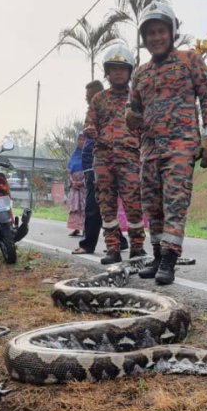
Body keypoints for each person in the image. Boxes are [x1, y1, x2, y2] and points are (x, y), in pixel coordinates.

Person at [128, 1, 207, 284]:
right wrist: (131, 116)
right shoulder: (140, 72)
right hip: (150, 150)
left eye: (161, 31)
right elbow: (133, 108)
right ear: (144, 39)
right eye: (150, 33)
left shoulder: (190, 60)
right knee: (152, 206)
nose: (156, 37)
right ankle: (157, 255)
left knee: (175, 202)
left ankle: (170, 258)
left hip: (181, 146)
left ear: (171, 32)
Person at [85, 44, 144, 265]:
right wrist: (89, 129)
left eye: (122, 68)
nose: (118, 72)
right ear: (107, 72)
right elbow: (89, 121)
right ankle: (112, 248)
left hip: (129, 157)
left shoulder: (137, 97)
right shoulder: (98, 98)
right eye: (113, 68)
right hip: (103, 158)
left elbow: (146, 123)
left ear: (129, 71)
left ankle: (137, 248)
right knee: (106, 204)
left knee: (133, 203)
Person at [73, 80, 105, 255]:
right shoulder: (90, 113)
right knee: (100, 204)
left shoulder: (105, 110)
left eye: (89, 97)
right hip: (88, 165)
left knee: (94, 204)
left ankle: (87, 244)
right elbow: (87, 131)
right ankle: (119, 242)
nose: (87, 100)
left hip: (98, 163)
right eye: (86, 98)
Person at [66, 132, 86, 237]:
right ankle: (76, 229)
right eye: (79, 139)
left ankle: (85, 229)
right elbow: (68, 170)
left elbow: (89, 171)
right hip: (74, 188)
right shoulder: (74, 155)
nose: (81, 141)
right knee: (74, 207)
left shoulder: (88, 155)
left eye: (83, 139)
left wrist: (82, 182)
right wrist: (72, 183)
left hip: (83, 188)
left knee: (83, 207)